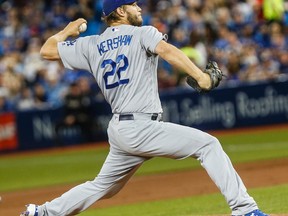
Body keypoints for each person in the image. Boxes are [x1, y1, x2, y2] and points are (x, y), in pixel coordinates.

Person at [21, 1, 268, 216]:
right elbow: (168, 50)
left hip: (121, 129)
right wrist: (201, 76)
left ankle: (42, 212)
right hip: (141, 126)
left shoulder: (92, 45)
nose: (139, 8)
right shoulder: (143, 34)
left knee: (101, 187)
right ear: (120, 10)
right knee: (208, 145)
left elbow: (47, 50)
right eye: (134, 4)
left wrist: (67, 30)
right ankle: (245, 209)